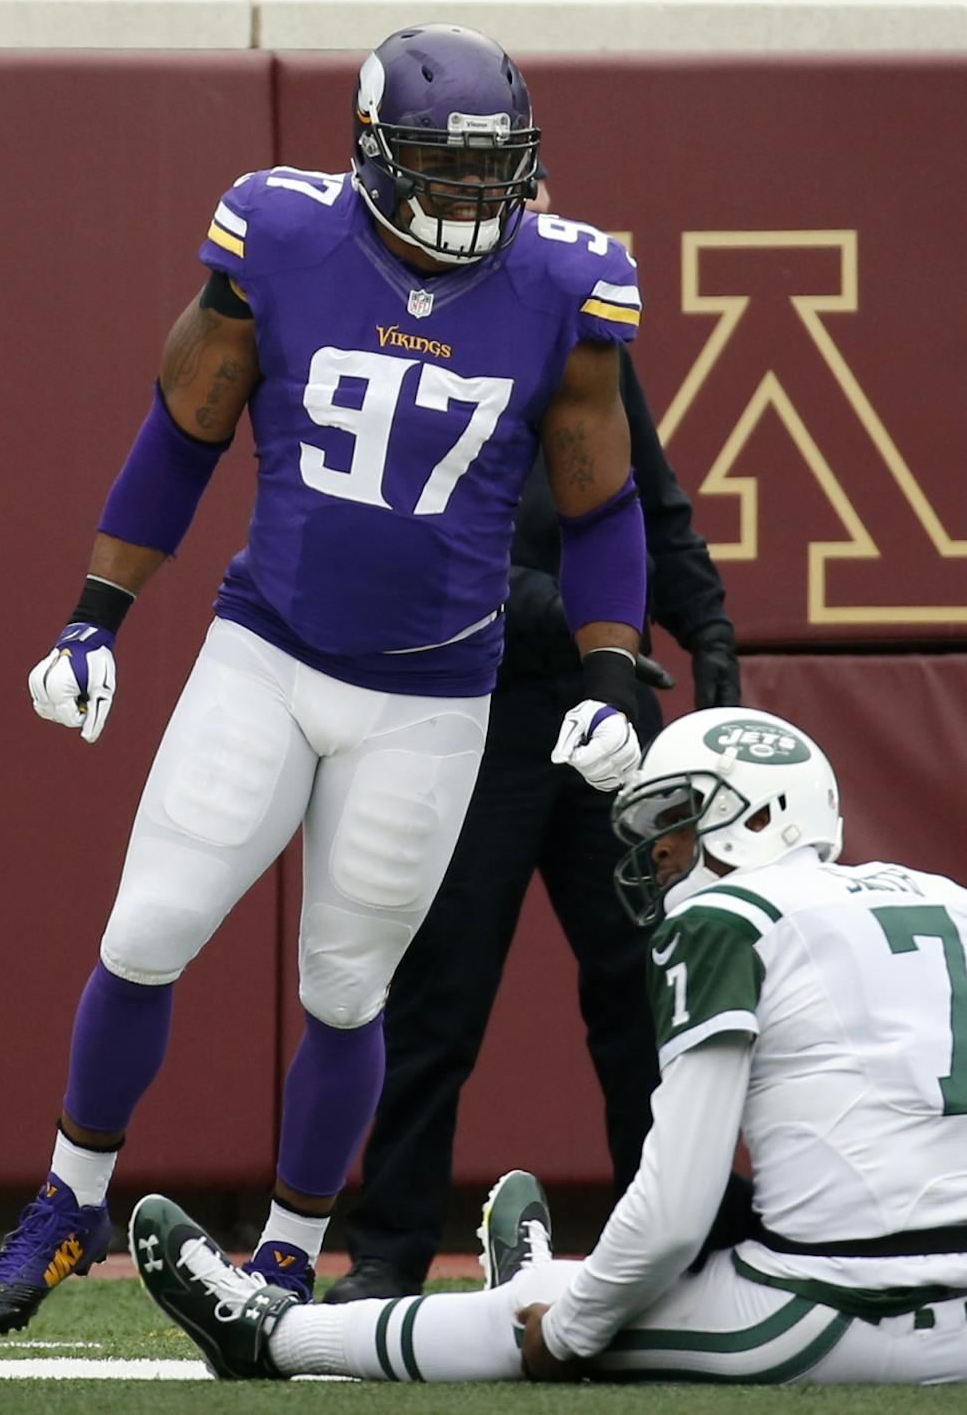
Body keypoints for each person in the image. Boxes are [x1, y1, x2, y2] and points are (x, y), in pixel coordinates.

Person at [0, 23, 652, 1336]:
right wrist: (94, 618)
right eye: (442, 169)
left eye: (490, 171)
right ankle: (70, 1200)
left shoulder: (568, 280)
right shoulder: (278, 235)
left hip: (437, 695)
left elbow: (603, 498)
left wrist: (613, 676)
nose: (469, 198)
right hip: (266, 651)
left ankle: (283, 1258)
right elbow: (185, 427)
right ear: (376, 154)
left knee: (347, 986)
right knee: (148, 928)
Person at [133, 705, 967, 1385]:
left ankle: (269, 1334)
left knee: (534, 1316)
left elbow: (678, 1204)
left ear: (764, 816)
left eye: (682, 819)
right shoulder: (947, 898)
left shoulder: (731, 917)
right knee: (634, 1279)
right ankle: (537, 1274)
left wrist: (564, 1330)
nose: (666, 851)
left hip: (841, 1312)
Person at [324, 173, 742, 1307]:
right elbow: (411, 539)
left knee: (646, 990)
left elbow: (648, 495)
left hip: (604, 700)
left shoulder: (578, 326)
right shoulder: (407, 338)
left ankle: (684, 1239)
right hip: (475, 704)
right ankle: (391, 1246)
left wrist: (708, 625)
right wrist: (568, 612)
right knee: (437, 993)